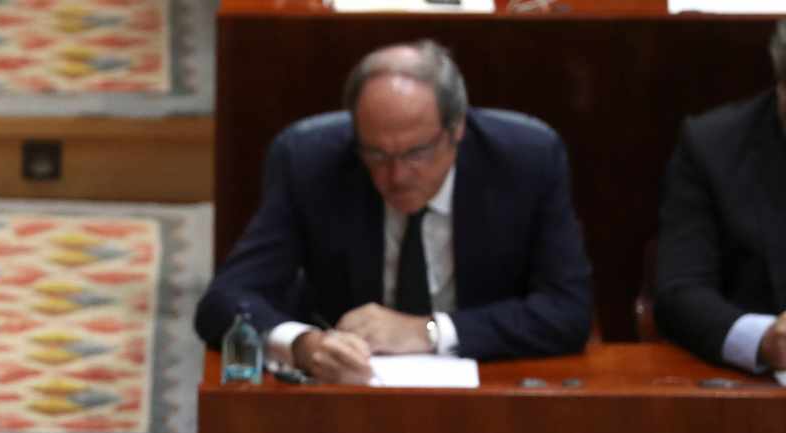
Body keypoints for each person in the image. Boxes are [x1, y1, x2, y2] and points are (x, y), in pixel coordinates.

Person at [195, 40, 592, 383]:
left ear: (456, 129)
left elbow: (568, 312)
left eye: (417, 153)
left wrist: (427, 332)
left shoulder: (526, 160)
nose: (397, 175)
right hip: (349, 391)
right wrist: (303, 345)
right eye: (376, 153)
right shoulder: (309, 161)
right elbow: (226, 300)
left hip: (490, 383)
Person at [655, 20, 786, 372]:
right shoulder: (714, 147)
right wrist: (763, 340)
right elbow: (679, 291)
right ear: (780, 85)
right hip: (757, 391)